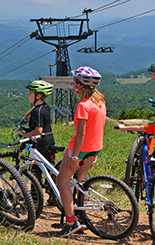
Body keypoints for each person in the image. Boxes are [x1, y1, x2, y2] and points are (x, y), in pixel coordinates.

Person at [55, 66, 106, 237]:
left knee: (62, 182)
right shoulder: (101, 102)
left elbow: (81, 134)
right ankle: (84, 218)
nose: (74, 84)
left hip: (80, 150)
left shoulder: (83, 106)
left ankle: (71, 222)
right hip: (95, 148)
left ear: (79, 84)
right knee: (81, 183)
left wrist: (74, 157)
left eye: (75, 82)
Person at [19, 80, 56, 169]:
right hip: (49, 139)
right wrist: (27, 115)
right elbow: (36, 107)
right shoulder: (44, 106)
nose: (28, 95)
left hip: (41, 143)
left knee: (36, 171)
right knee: (48, 167)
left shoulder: (37, 112)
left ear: (38, 96)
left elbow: (38, 131)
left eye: (30, 93)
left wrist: (25, 135)